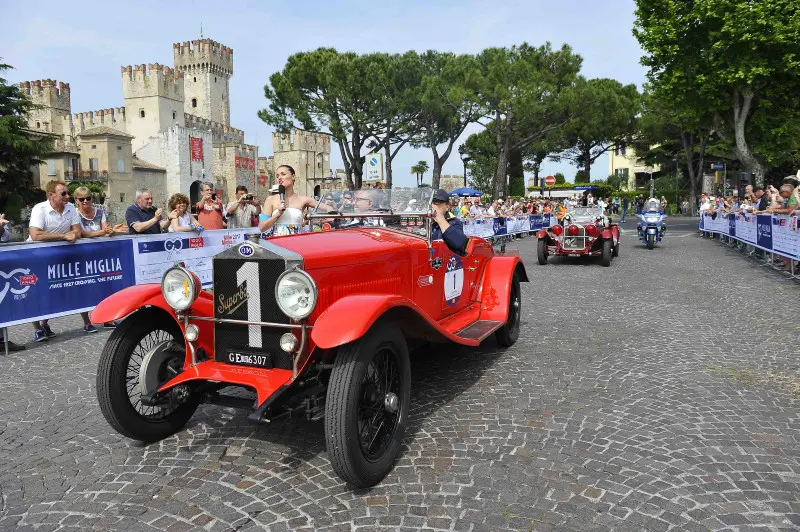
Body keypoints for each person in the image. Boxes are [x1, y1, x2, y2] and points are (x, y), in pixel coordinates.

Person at [27, 180, 82, 342]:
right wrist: (64, 236)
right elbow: (36, 235)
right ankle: (37, 329)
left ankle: (44, 323)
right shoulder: (40, 209)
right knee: (35, 293)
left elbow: (77, 231)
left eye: (68, 193)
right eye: (63, 193)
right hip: (34, 256)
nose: (67, 196)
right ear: (51, 195)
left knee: (55, 291)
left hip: (55, 257)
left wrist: (72, 234)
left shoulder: (71, 208)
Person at [74, 186, 126, 332]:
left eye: (88, 198)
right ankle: (86, 321)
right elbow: (81, 234)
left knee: (105, 285)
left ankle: (107, 318)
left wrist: (111, 231)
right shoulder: (74, 214)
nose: (85, 201)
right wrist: (102, 232)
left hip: (100, 254)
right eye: (81, 199)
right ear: (76, 200)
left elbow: (105, 231)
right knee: (85, 286)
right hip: (83, 255)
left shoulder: (100, 212)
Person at [259, 165, 317, 236]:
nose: (279, 178)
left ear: (293, 177)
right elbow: (262, 227)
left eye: (283, 174)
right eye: (277, 176)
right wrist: (278, 214)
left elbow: (328, 209)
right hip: (277, 243)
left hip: (298, 241)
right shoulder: (270, 200)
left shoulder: (304, 199)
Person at [430, 189, 467, 256]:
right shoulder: (424, 221)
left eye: (436, 202)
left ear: (447, 206)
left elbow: (460, 244)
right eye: (430, 202)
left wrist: (440, 219)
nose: (432, 205)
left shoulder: (454, 222)